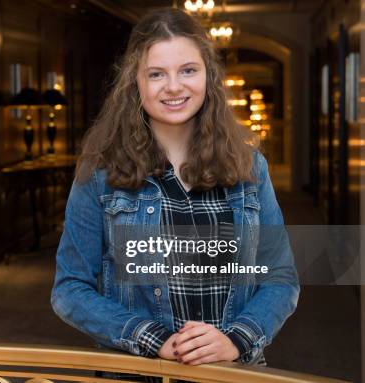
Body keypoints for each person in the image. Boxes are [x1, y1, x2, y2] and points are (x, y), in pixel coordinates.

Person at [50, 7, 299, 370]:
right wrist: (152, 339)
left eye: (188, 70)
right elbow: (70, 289)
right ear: (135, 82)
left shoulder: (250, 168)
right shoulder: (99, 175)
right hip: (139, 374)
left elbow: (281, 277)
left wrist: (236, 340)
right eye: (156, 74)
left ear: (208, 77)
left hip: (233, 375)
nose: (173, 86)